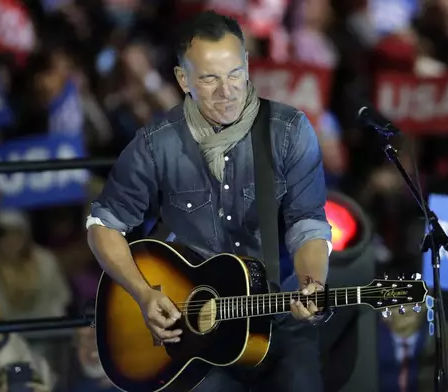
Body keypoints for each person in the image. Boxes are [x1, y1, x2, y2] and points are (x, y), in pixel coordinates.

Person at [86, 10, 332, 392]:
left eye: (235, 74)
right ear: (183, 80)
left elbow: (309, 223)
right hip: (190, 336)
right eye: (209, 78)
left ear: (248, 66)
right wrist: (143, 293)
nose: (227, 90)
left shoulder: (289, 131)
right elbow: (103, 227)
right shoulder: (157, 142)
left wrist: (312, 282)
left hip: (277, 318)